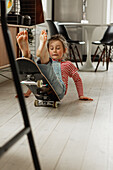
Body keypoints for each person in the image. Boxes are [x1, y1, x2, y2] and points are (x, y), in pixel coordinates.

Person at [16, 30, 93, 101]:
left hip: (58, 91)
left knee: (48, 70)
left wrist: (81, 95)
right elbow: (36, 78)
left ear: (64, 50)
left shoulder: (68, 64)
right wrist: (27, 93)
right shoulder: (48, 63)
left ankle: (42, 54)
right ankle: (26, 54)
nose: (54, 51)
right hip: (42, 91)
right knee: (36, 73)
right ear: (49, 50)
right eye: (51, 48)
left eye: (58, 48)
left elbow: (77, 79)